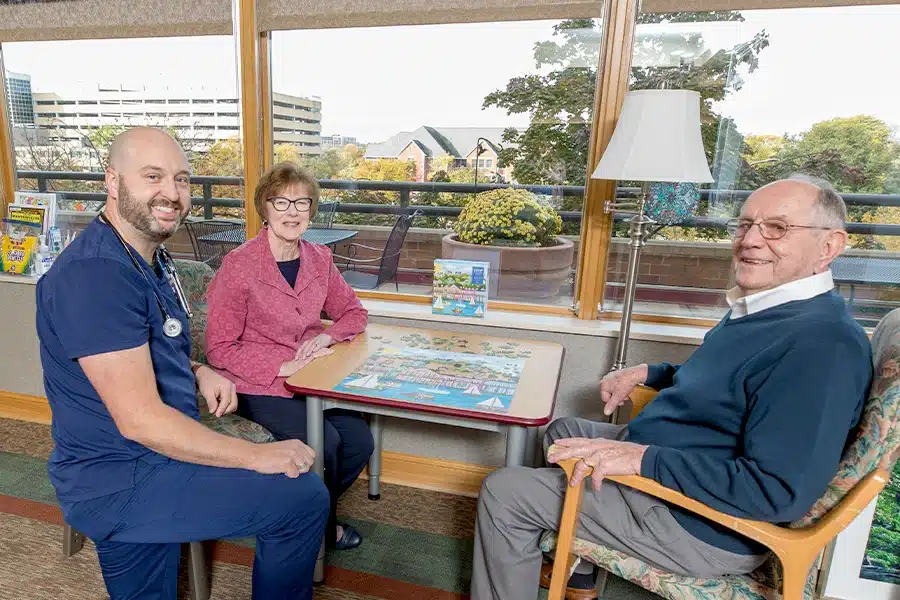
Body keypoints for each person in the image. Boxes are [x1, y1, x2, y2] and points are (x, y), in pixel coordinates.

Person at [470, 175, 874, 600]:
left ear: (829, 247)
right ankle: (580, 573)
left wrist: (643, 459)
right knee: (561, 432)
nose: (751, 240)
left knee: (506, 492)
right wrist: (652, 372)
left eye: (777, 228)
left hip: (700, 524)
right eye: (745, 224)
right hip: (681, 463)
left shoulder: (822, 346)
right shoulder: (775, 308)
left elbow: (776, 491)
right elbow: (736, 381)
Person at [35, 127, 329, 600]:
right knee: (301, 498)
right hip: (122, 478)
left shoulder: (149, 258)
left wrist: (198, 369)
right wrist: (257, 455)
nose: (172, 193)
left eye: (182, 179)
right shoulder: (95, 277)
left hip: (159, 456)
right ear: (113, 181)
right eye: (152, 176)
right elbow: (140, 420)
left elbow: (144, 347)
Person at [205, 161, 372, 551]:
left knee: (360, 442)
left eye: (302, 202)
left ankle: (302, 509)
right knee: (326, 444)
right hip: (259, 382)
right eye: (281, 202)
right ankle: (319, 528)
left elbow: (355, 313)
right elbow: (219, 347)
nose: (292, 212)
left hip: (312, 378)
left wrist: (328, 338)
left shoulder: (319, 258)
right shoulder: (239, 265)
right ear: (263, 208)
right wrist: (282, 365)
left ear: (312, 209)